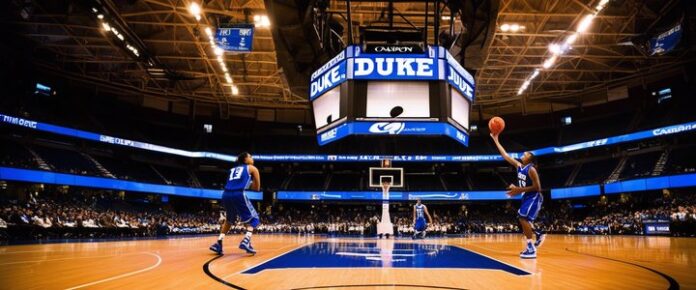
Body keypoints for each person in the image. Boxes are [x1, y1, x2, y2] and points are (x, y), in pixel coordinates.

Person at [490, 133, 545, 259]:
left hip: (534, 196)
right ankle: (538, 234)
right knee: (524, 219)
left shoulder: (531, 169)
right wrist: (496, 140)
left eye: (526, 154)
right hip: (526, 196)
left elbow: (538, 188)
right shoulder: (519, 166)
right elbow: (505, 155)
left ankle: (531, 248)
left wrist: (518, 190)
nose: (523, 154)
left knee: (522, 217)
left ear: (530, 160)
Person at [209, 152, 261, 255]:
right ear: (245, 160)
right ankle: (246, 241)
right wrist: (250, 183)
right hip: (238, 194)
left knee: (229, 220)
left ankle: (218, 243)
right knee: (254, 219)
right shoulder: (252, 168)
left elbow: (233, 182)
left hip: (226, 194)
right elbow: (257, 188)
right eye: (250, 156)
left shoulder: (232, 170)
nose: (252, 158)